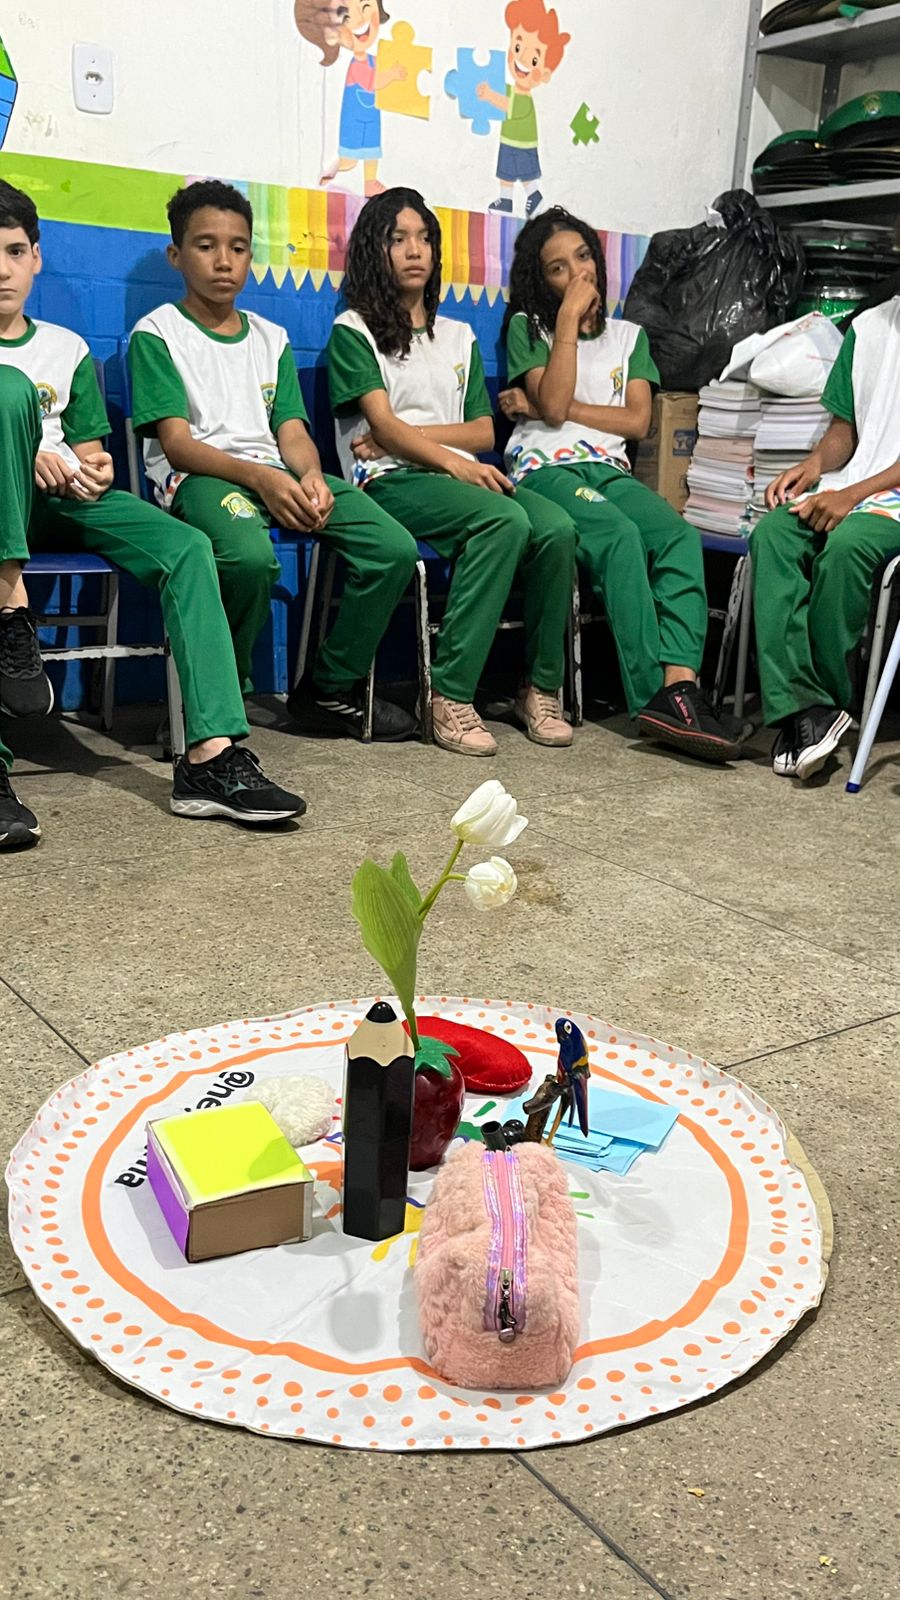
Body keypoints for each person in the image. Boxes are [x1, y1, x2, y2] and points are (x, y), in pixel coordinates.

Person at [0, 180, 304, 850]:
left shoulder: (68, 349)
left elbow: (92, 455)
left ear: (37, 258)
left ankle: (209, 758)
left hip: (65, 503)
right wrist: (23, 455)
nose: (2, 268)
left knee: (189, 546)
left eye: (15, 251)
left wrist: (92, 467)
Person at [129, 179, 418, 742]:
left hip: (275, 475)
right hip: (203, 478)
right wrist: (263, 478)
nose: (224, 261)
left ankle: (329, 689)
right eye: (206, 245)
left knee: (391, 547)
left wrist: (310, 476)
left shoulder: (271, 337)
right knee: (248, 559)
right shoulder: (158, 333)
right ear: (176, 255)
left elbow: (291, 430)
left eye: (238, 247)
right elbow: (178, 446)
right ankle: (211, 705)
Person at [326, 186, 576, 757]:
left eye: (424, 238)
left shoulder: (459, 336)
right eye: (397, 239)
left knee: (557, 528)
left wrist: (418, 441)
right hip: (387, 482)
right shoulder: (353, 330)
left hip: (450, 475)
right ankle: (449, 696)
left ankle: (539, 688)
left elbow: (484, 434)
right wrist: (433, 454)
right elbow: (382, 436)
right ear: (374, 250)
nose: (414, 250)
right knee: (504, 522)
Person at [500, 206, 742, 762]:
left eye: (583, 257)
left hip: (611, 469)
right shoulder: (530, 328)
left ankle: (681, 687)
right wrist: (565, 324)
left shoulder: (630, 337)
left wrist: (553, 407)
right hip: (548, 470)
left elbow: (637, 422)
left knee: (676, 536)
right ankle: (651, 697)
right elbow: (554, 404)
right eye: (559, 268)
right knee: (617, 535)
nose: (578, 273)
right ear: (544, 282)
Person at [753, 302, 900, 780]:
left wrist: (850, 495)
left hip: (884, 498)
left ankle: (824, 706)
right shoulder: (871, 327)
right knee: (775, 532)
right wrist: (814, 466)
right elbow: (846, 430)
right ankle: (807, 709)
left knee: (847, 547)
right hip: (860, 484)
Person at [477, 0, 570, 219]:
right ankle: (506, 201)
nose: (522, 60)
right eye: (517, 47)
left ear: (545, 74)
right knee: (506, 173)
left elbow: (507, 106)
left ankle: (534, 195)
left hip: (522, 143)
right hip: (509, 140)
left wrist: (490, 96)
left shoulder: (523, 99)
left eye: (535, 58)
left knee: (526, 174)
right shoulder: (510, 89)